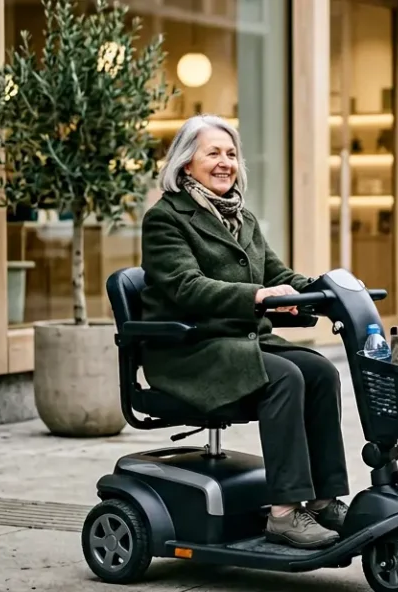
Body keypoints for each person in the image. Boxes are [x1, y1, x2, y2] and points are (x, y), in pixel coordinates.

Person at [139, 115, 348, 550]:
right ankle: (286, 513)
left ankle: (325, 500)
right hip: (190, 349)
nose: (225, 163)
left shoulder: (242, 217)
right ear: (184, 165)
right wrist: (259, 296)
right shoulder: (165, 219)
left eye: (231, 154)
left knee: (320, 371)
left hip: (237, 343)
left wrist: (327, 291)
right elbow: (185, 287)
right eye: (213, 153)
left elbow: (278, 273)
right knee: (284, 377)